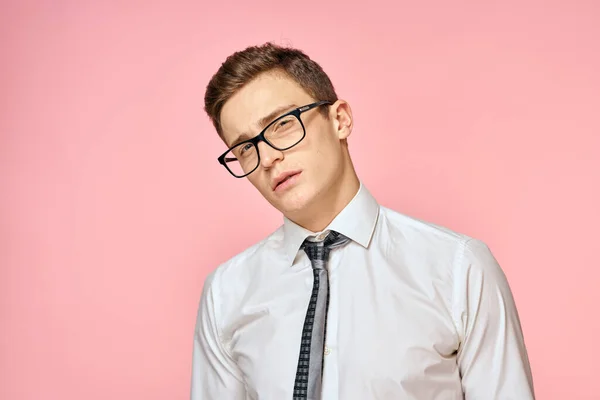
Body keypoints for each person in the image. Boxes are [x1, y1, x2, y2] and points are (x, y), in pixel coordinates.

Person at [190, 42, 535, 400]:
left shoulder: (458, 268)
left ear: (339, 120)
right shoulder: (226, 293)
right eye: (246, 147)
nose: (267, 157)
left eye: (281, 125)